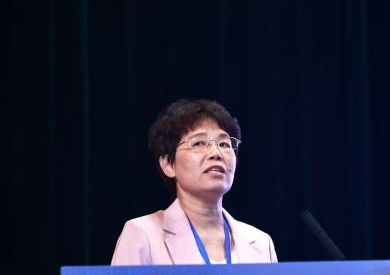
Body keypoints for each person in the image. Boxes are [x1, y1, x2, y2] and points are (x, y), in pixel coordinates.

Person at [111, 98, 277, 265]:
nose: (216, 153)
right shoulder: (142, 235)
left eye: (224, 144)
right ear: (168, 164)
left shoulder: (261, 244)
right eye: (199, 143)